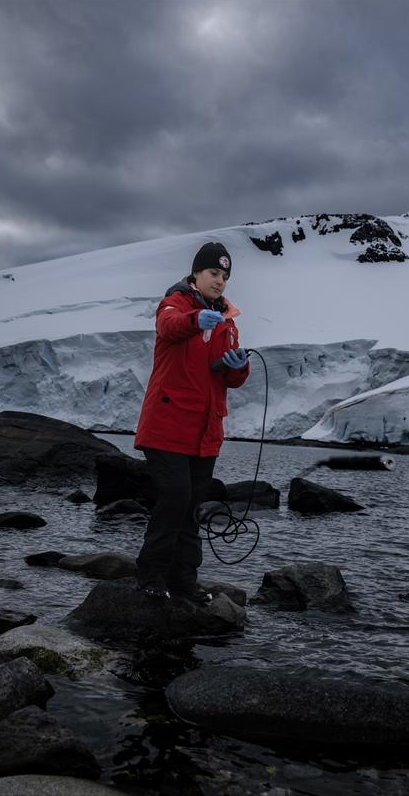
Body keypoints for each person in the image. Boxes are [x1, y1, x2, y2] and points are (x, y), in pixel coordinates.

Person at [133, 241, 250, 602]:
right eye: (214, 273)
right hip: (167, 425)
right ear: (196, 275)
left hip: (205, 431)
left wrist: (239, 366)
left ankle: (183, 582)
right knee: (174, 498)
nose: (220, 281)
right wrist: (194, 320)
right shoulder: (175, 303)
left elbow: (230, 380)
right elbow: (169, 327)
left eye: (225, 276)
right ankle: (151, 577)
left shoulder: (227, 323)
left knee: (191, 508)